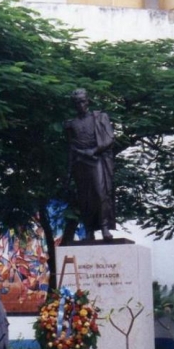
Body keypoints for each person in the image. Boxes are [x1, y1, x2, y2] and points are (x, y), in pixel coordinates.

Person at [64, 88, 116, 240]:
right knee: (85, 198)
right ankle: (89, 230)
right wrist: (67, 173)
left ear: (88, 101)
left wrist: (94, 150)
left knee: (101, 193)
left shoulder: (100, 117)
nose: (80, 105)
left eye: (82, 101)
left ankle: (105, 227)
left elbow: (110, 139)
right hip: (80, 162)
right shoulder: (70, 124)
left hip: (96, 159)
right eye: (76, 102)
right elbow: (70, 148)